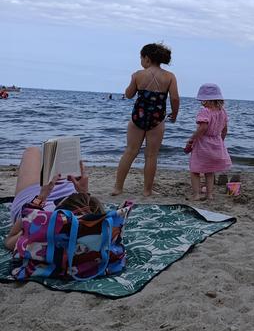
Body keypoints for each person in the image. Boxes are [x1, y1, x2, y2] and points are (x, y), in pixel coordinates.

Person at [113, 43, 180, 197]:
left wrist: (133, 85)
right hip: (157, 118)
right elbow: (175, 98)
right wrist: (174, 114)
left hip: (138, 116)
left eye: (141, 58)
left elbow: (129, 94)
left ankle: (118, 188)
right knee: (151, 155)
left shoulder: (137, 74)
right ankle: (147, 190)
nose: (141, 61)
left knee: (130, 151)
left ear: (147, 58)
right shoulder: (169, 76)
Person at [5, 147, 104, 250]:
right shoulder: (97, 228)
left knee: (32, 151)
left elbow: (9, 240)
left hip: (33, 197)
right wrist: (83, 193)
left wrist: (42, 196)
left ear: (59, 211)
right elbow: (90, 214)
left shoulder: (41, 229)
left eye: (58, 202)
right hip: (74, 198)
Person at [184, 83, 232, 201]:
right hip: (217, 142)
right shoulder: (223, 112)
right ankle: (209, 195)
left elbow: (203, 128)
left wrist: (192, 139)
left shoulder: (205, 111)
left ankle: (196, 195)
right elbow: (225, 130)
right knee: (209, 171)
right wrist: (220, 142)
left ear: (205, 99)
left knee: (195, 170)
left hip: (203, 143)